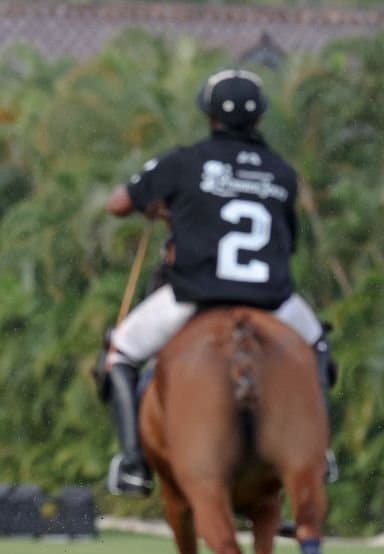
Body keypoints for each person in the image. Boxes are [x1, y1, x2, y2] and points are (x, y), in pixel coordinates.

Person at [100, 68, 337, 496]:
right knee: (318, 347)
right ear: (259, 117)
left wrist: (159, 208)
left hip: (196, 295)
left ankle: (133, 463)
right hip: (271, 299)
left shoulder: (184, 161)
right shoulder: (282, 173)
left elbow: (117, 203)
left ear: (209, 114)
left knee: (120, 353)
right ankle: (321, 451)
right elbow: (287, 243)